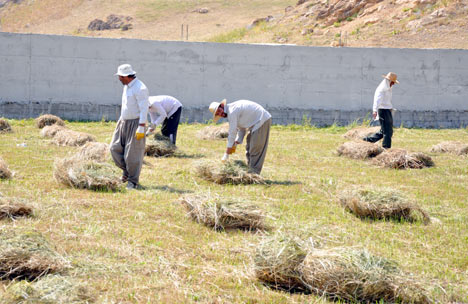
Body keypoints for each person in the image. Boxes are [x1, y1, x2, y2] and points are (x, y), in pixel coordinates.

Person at [110, 64, 149, 189]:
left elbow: (144, 109)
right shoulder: (126, 86)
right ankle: (126, 171)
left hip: (136, 123)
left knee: (132, 155)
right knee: (114, 148)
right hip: (123, 121)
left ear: (127, 76)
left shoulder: (140, 88)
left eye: (120, 76)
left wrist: (141, 126)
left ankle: (132, 181)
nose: (119, 79)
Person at [209, 99, 272, 174]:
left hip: (261, 120)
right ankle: (250, 170)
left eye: (219, 111)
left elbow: (232, 132)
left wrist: (227, 152)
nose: (220, 114)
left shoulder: (232, 111)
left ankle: (254, 174)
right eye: (218, 114)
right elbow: (241, 128)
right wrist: (238, 140)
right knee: (249, 148)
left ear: (222, 106)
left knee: (255, 148)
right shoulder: (231, 112)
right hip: (254, 124)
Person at [363, 72, 399, 149]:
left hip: (387, 110)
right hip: (383, 111)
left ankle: (366, 140)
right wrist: (375, 110)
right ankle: (386, 148)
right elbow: (377, 100)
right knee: (387, 131)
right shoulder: (381, 89)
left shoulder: (388, 89)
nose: (393, 84)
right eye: (393, 82)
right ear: (389, 81)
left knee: (384, 131)